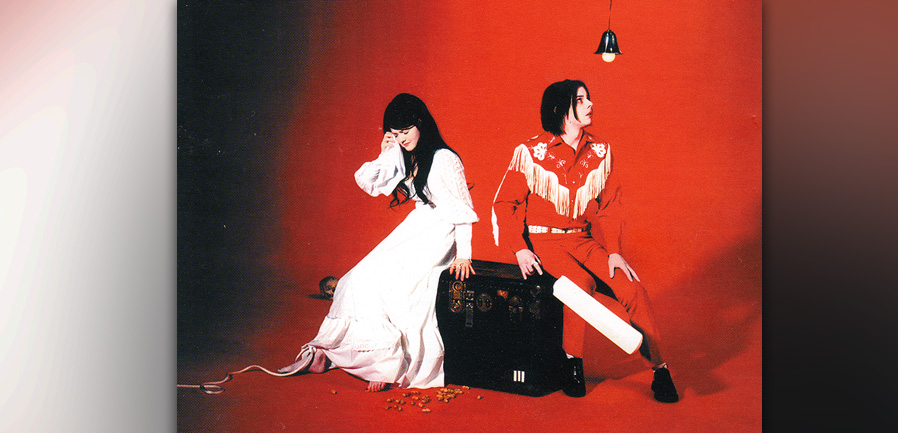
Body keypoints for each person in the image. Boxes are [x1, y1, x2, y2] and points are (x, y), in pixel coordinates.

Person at [491, 80, 679, 402]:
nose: (590, 104)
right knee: (579, 285)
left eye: (588, 98)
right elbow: (504, 203)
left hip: (584, 240)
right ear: (559, 109)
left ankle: (659, 368)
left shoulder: (601, 151)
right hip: (543, 242)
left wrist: (615, 252)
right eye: (580, 100)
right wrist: (520, 248)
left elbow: (610, 206)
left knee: (631, 288)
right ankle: (572, 362)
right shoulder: (531, 152)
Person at [280, 93, 478, 391]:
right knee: (357, 280)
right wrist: (386, 151)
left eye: (406, 131)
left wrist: (464, 254)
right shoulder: (407, 153)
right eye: (395, 133)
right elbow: (370, 180)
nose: (402, 138)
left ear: (421, 123)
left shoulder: (444, 158)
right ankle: (329, 351)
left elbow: (462, 210)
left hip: (438, 235)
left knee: (396, 289)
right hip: (417, 228)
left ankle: (385, 365)